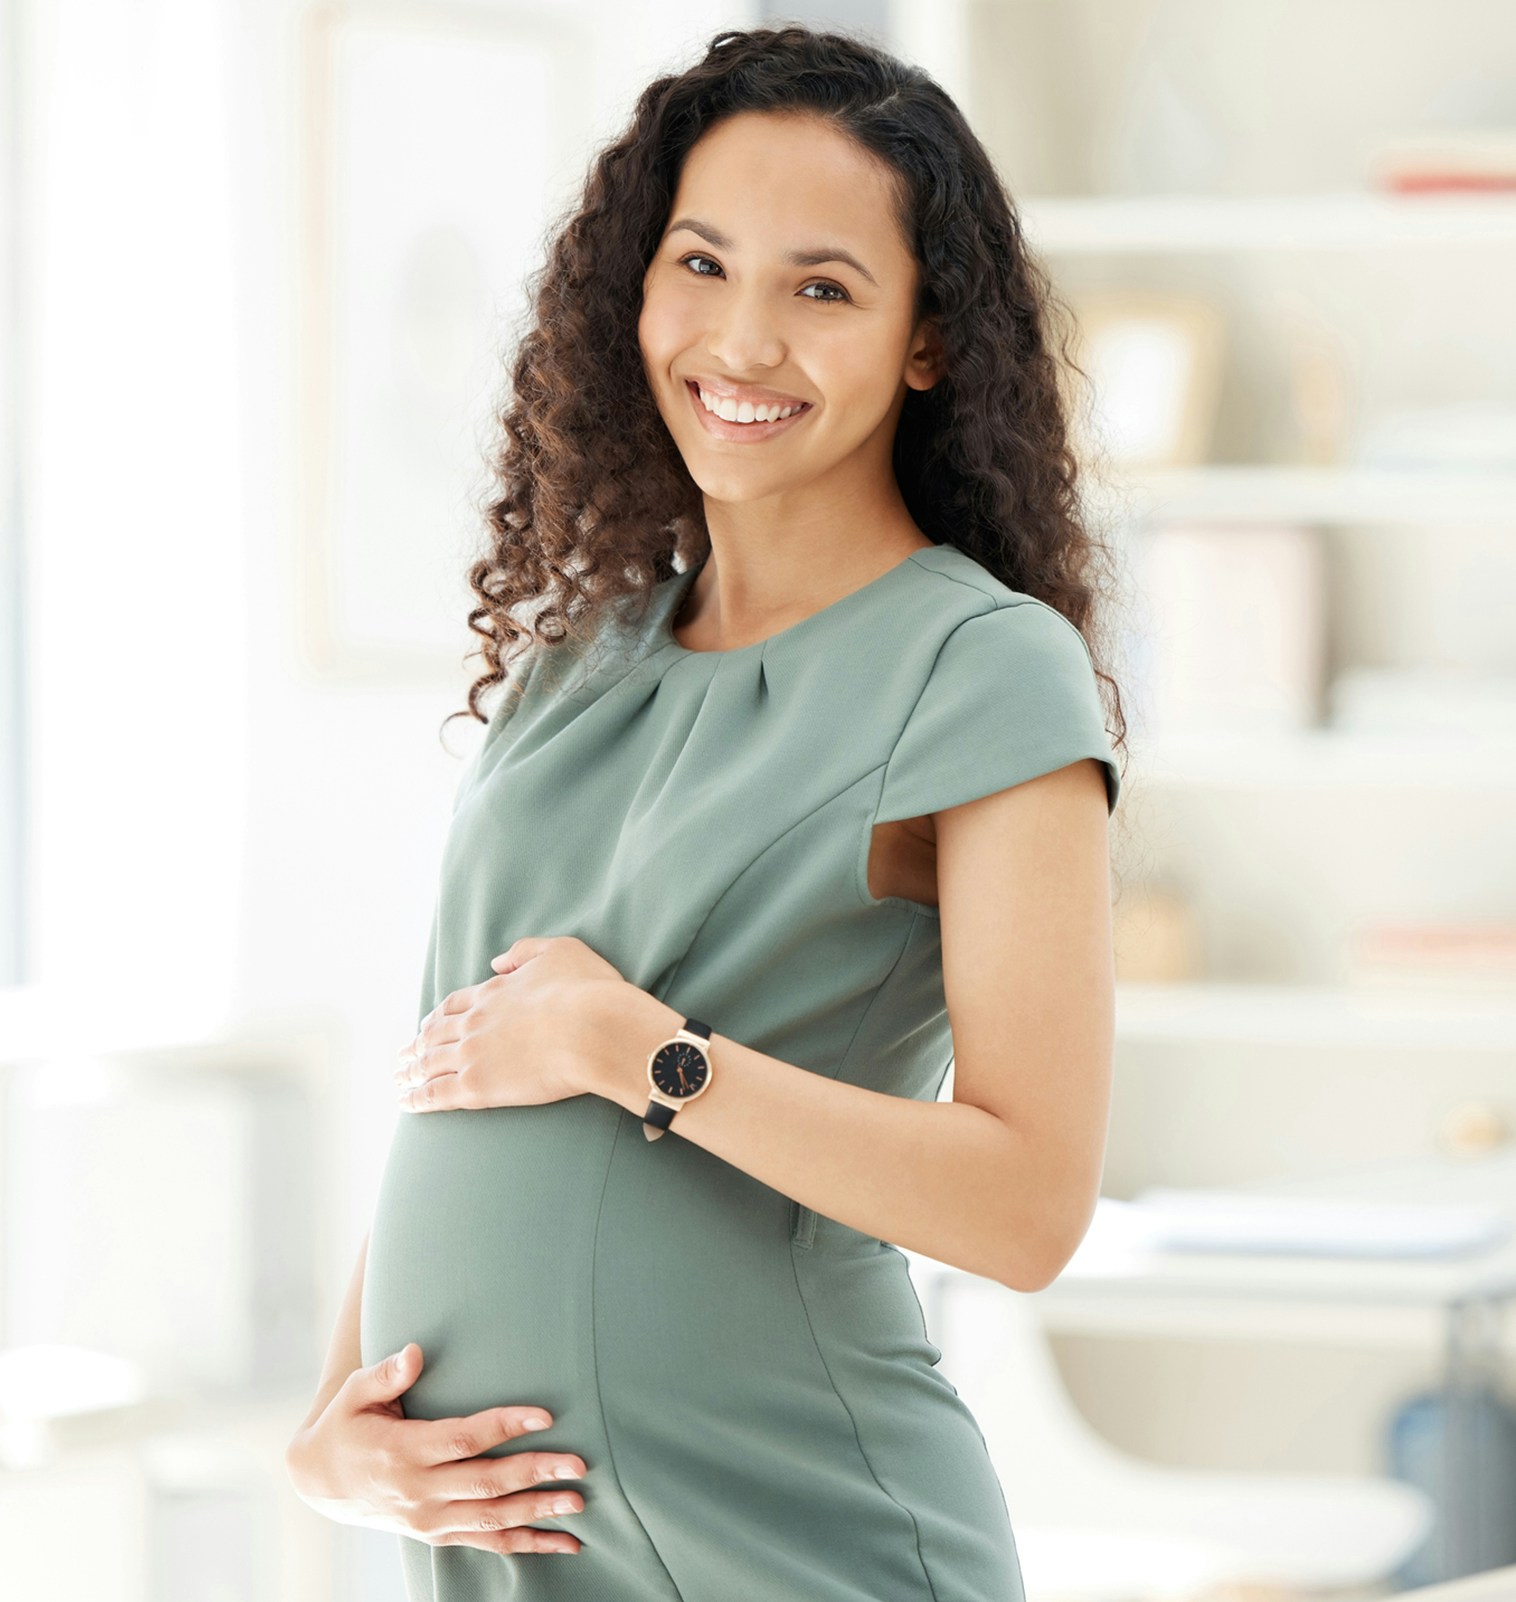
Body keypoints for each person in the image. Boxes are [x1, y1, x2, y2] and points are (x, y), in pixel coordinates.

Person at [285, 22, 1127, 1602]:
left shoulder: (982, 666)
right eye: (702, 263)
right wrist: (333, 1427)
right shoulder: (574, 666)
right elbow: (453, 1061)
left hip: (797, 1530)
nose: (742, 342)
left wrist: (633, 1052)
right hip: (513, 1547)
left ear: (927, 341)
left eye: (823, 287)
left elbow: (1027, 1204)